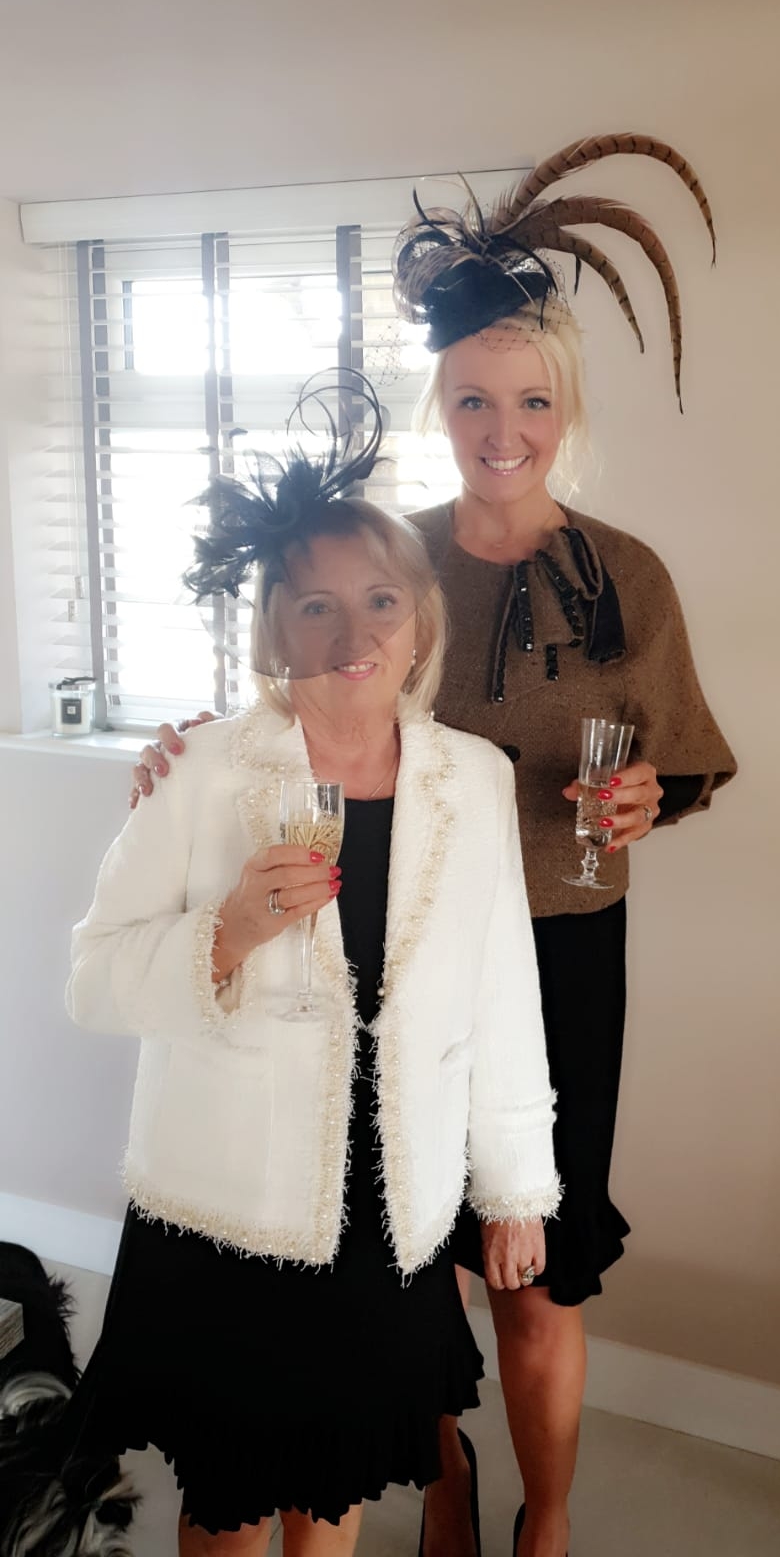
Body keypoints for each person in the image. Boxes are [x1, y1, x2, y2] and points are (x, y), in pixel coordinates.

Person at [133, 133, 737, 1557]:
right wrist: (179, 759)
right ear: (442, 405)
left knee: (538, 1267)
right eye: (473, 399)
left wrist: (648, 799)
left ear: (563, 409)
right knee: (410, 1255)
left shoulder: (626, 577)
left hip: (564, 949)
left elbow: (676, 762)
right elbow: (285, 712)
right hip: (385, 942)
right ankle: (445, 1483)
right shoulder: (390, 566)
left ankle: (550, 1521)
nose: (501, 428)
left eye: (531, 400)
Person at [67, 377, 561, 1557]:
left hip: (390, 1208)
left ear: (420, 622)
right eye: (317, 607)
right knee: (232, 1509)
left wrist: (515, 1187)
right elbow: (91, 978)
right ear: (273, 631)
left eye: (381, 601)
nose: (354, 637)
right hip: (231, 1208)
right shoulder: (199, 774)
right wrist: (227, 932)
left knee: (333, 1500)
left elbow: (503, 995)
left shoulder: (475, 780)